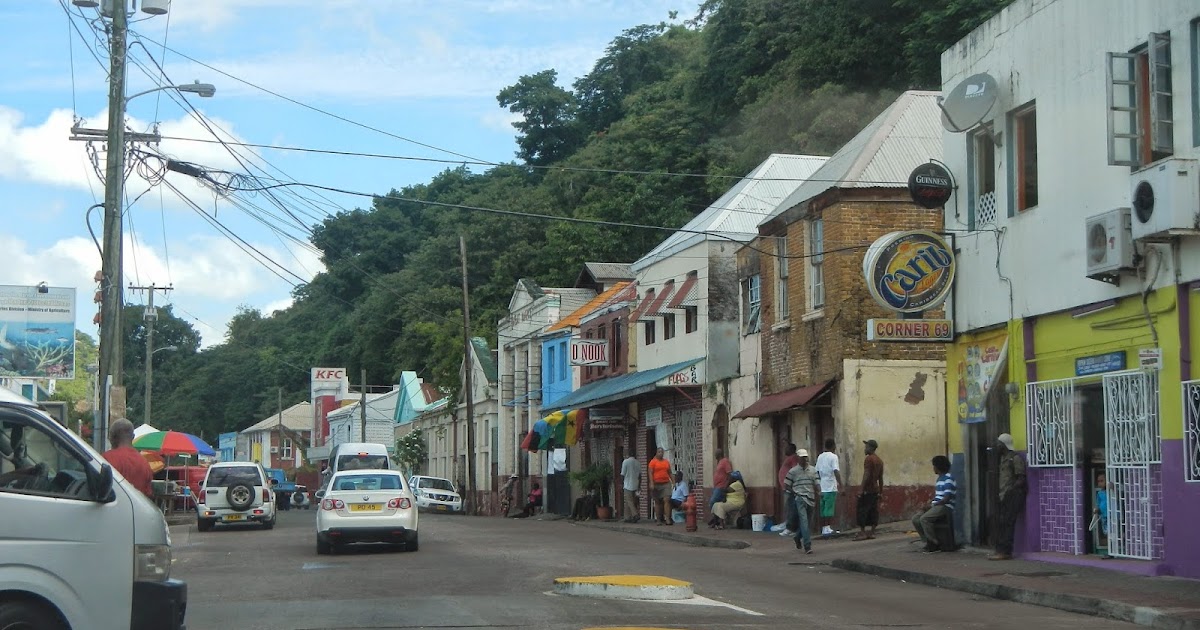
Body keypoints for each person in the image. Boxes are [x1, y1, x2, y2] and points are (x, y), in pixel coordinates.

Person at [990, 433, 1027, 561]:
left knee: (1008, 523)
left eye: (999, 444)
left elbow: (1021, 478)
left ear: (1004, 445)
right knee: (1002, 522)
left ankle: (1005, 551)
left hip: (1012, 495)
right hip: (1004, 495)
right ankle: (1000, 549)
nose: (997, 446)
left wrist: (1010, 491)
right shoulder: (1002, 459)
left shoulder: (1015, 458)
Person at [912, 455, 956, 553]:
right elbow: (937, 497)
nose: (933, 468)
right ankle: (927, 541)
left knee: (924, 519)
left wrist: (932, 505)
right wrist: (929, 504)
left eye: (934, 466)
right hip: (937, 505)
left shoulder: (948, 478)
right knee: (916, 519)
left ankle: (934, 544)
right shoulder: (939, 479)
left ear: (938, 467)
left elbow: (946, 498)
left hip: (945, 506)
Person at [101, 418, 153, 499]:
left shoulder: (106, 459)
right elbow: (148, 494)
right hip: (136, 509)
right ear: (133, 437)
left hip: (112, 509)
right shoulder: (144, 463)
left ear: (112, 437)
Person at [785, 449, 820, 553]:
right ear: (798, 459)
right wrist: (794, 492)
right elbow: (787, 484)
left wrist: (820, 491)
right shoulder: (793, 471)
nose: (804, 459)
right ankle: (807, 545)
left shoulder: (813, 470)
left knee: (808, 523)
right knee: (804, 521)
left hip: (811, 498)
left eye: (805, 457)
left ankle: (797, 537)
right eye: (802, 458)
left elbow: (817, 482)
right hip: (800, 498)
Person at [854, 439, 884, 541]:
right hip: (875, 490)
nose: (865, 449)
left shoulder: (868, 459)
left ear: (871, 448)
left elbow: (866, 474)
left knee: (862, 510)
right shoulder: (879, 461)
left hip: (867, 489)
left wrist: (861, 489)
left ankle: (862, 533)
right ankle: (872, 532)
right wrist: (881, 491)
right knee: (873, 511)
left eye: (866, 447)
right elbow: (880, 478)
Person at [815, 438, 843, 536]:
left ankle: (824, 528)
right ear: (833, 446)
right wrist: (841, 485)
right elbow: (836, 471)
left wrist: (818, 486)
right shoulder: (833, 457)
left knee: (823, 508)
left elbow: (816, 472)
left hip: (822, 485)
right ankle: (828, 527)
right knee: (829, 508)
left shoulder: (820, 457)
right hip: (830, 485)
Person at [774, 443, 801, 536]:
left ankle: (790, 528)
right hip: (787, 487)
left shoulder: (793, 458)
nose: (785, 450)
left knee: (790, 508)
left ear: (791, 449)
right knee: (789, 507)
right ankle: (788, 526)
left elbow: (794, 471)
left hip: (790, 488)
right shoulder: (790, 458)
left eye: (787, 448)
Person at [647, 448, 672, 526]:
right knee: (657, 502)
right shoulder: (653, 462)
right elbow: (650, 473)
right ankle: (658, 519)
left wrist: (673, 482)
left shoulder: (666, 462)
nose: (660, 453)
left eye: (662, 452)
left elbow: (670, 472)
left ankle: (667, 518)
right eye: (659, 452)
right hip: (656, 484)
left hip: (666, 483)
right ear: (656, 453)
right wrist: (651, 483)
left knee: (667, 499)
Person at [620, 452, 641, 523]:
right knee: (629, 501)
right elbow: (640, 475)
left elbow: (622, 474)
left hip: (627, 484)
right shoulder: (638, 463)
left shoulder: (625, 462)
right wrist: (639, 486)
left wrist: (621, 484)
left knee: (629, 501)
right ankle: (627, 517)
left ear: (628, 454)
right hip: (635, 484)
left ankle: (635, 514)